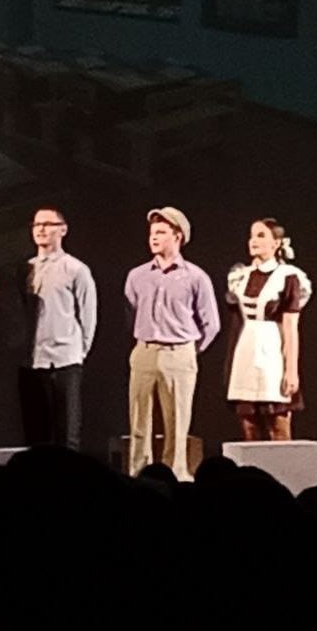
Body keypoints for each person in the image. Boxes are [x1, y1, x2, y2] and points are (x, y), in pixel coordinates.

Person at [124, 206, 220, 481]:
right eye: (152, 233)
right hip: (145, 350)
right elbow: (131, 310)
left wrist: (189, 351)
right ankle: (137, 473)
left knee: (177, 422)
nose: (154, 238)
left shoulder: (195, 277)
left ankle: (175, 474)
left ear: (178, 236)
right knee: (139, 420)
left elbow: (211, 323)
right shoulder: (137, 275)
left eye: (161, 232)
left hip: (179, 352)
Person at [15, 205, 97, 451]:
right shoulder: (26, 268)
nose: (41, 229)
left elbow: (88, 314)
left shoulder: (75, 269)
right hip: (32, 360)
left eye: (47, 224)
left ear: (63, 230)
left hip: (65, 360)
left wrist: (79, 351)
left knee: (67, 432)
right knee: (36, 434)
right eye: (36, 224)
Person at [224, 217, 312, 441]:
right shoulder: (241, 276)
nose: (253, 241)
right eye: (252, 236)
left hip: (272, 348)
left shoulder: (287, 276)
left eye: (261, 235)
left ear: (276, 243)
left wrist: (291, 370)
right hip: (246, 348)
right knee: (248, 423)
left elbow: (291, 326)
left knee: (277, 421)